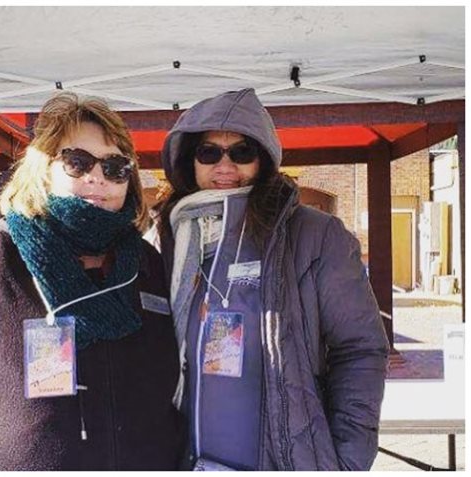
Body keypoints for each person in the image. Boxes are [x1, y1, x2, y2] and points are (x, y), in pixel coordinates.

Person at [0, 92, 185, 471]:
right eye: (77, 162)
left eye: (115, 167)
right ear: (42, 168)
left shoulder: (148, 264)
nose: (97, 177)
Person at [155, 88, 389, 471]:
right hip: (189, 460)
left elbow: (360, 349)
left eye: (242, 151)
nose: (225, 165)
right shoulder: (169, 238)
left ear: (263, 158)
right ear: (189, 161)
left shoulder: (315, 236)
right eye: (209, 152)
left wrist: (347, 461)